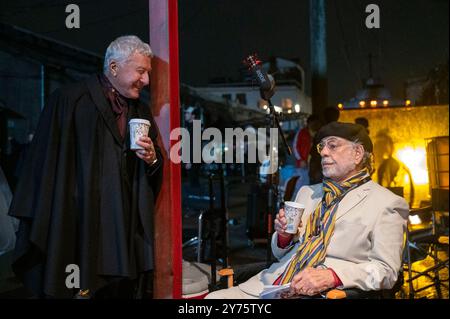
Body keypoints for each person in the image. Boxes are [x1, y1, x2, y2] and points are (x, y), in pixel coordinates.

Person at [8, 35, 163, 298]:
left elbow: (153, 164)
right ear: (114, 67)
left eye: (147, 73)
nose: (146, 80)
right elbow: (43, 165)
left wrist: (152, 159)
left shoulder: (140, 110)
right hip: (77, 221)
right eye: (140, 71)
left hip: (122, 224)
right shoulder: (69, 100)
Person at [206, 122, 409, 299]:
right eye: (322, 146)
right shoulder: (307, 192)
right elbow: (279, 253)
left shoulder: (386, 203)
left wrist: (332, 276)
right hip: (273, 285)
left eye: (333, 145)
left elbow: (387, 271)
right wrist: (284, 236)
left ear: (357, 154)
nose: (323, 152)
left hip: (324, 293)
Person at [308, 106, 340, 184]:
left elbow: (314, 153)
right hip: (336, 168)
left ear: (324, 117)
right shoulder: (341, 132)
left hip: (321, 168)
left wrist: (313, 170)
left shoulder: (321, 132)